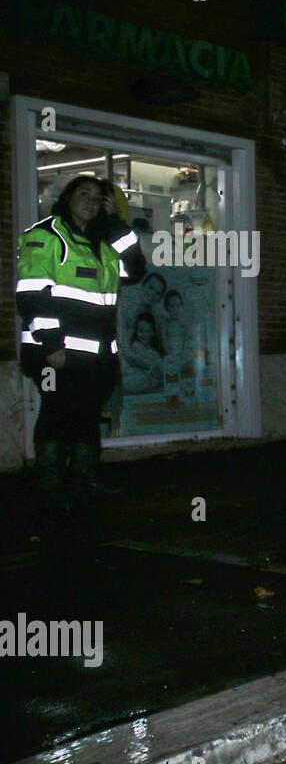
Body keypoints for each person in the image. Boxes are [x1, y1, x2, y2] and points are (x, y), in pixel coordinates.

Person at [15, 176, 147, 580]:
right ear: (66, 198)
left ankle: (85, 480)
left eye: (97, 198)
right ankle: (51, 488)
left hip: (96, 356)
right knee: (58, 411)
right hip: (54, 352)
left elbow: (137, 270)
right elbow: (33, 293)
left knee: (87, 414)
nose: (90, 202)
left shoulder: (104, 241)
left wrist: (116, 224)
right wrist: (52, 342)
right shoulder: (46, 236)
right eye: (83, 195)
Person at [122, 312, 166, 394]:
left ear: (153, 333)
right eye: (141, 331)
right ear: (136, 332)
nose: (145, 335)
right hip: (141, 379)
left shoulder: (154, 350)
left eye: (148, 331)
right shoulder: (136, 345)